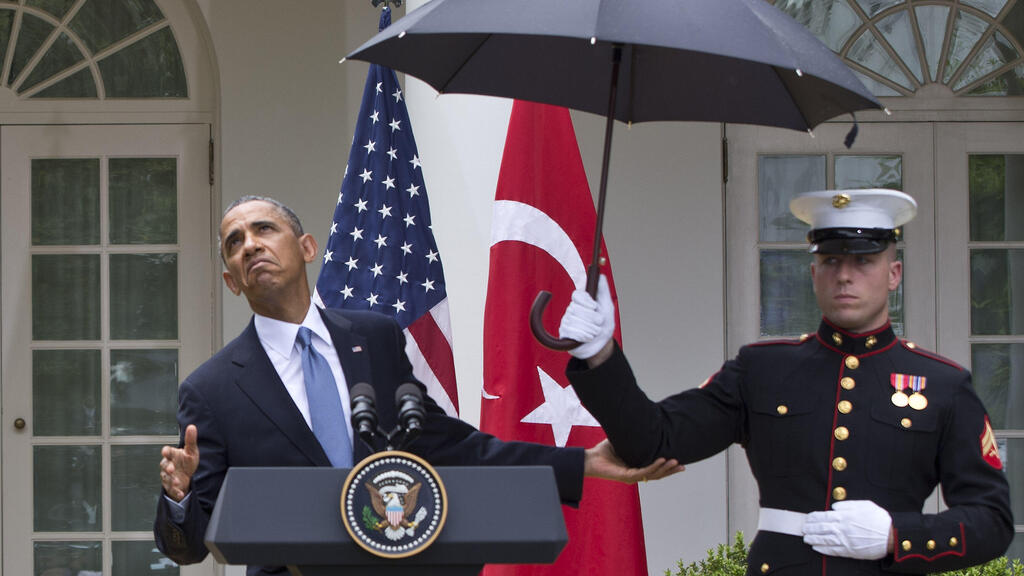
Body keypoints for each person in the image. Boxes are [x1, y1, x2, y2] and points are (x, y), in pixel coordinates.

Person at [154, 195, 679, 576]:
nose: (250, 246)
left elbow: (449, 445)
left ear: (307, 246)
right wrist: (178, 496)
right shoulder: (213, 389)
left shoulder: (375, 339)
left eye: (264, 230)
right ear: (231, 280)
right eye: (234, 243)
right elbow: (188, 547)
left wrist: (583, 463)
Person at [559, 189, 1013, 575]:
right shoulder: (762, 370)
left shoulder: (943, 384)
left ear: (894, 274)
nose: (845, 275)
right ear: (813, 273)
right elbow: (651, 442)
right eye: (831, 261)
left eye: (864, 261)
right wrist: (599, 355)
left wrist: (898, 536)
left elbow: (991, 520)